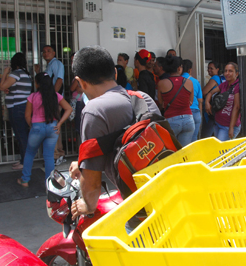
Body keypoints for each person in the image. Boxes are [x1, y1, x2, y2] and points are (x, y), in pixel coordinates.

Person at [68, 45, 159, 219]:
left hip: (139, 205)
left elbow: (93, 183)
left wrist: (86, 205)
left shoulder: (93, 111)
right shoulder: (142, 98)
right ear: (115, 74)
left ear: (81, 82)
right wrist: (81, 163)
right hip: (168, 190)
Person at [17, 73, 72, 187]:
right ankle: (50, 184)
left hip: (37, 127)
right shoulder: (56, 96)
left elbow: (27, 115)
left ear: (37, 84)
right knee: (49, 157)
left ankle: (25, 180)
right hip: (53, 128)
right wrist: (60, 123)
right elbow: (69, 108)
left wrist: (32, 126)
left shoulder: (32, 97)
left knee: (30, 153)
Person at [0, 53, 32, 170]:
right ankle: (23, 159)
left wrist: (4, 73)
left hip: (16, 107)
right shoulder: (26, 75)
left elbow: (2, 87)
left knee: (21, 135)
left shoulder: (16, 74)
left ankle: (25, 162)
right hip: (22, 107)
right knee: (22, 134)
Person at [158, 56, 195, 146]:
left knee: (171, 151)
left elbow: (161, 103)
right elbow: (191, 102)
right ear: (179, 68)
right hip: (188, 119)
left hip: (171, 120)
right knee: (184, 152)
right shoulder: (189, 82)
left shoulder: (161, 83)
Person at [39, 45, 66, 164]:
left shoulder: (57, 64)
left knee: (52, 127)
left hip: (54, 100)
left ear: (54, 53)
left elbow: (59, 80)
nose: (46, 53)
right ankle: (59, 153)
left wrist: (53, 97)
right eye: (44, 52)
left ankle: (56, 155)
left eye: (48, 51)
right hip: (53, 99)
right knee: (55, 127)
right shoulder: (49, 65)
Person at [205, 62, 241, 141]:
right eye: (225, 71)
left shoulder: (238, 86)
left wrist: (231, 128)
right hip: (218, 123)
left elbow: (237, 107)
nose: (227, 73)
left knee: (222, 151)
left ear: (236, 74)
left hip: (228, 126)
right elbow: (210, 93)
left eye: (230, 71)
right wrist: (207, 103)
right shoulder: (224, 84)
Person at [182, 59, 203, 142]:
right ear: (190, 69)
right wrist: (200, 115)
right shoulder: (195, 81)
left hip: (184, 113)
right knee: (194, 140)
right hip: (196, 113)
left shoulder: (178, 81)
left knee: (183, 141)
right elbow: (200, 101)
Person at [201, 61, 223, 138]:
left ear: (217, 69)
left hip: (209, 109)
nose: (209, 70)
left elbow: (203, 92)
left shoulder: (214, 78)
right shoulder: (221, 79)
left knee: (205, 135)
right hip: (216, 109)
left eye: (211, 68)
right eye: (208, 68)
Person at [70, 53, 85, 142]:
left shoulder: (79, 75)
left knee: (79, 127)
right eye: (71, 60)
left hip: (79, 102)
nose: (72, 62)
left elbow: (73, 88)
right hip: (78, 101)